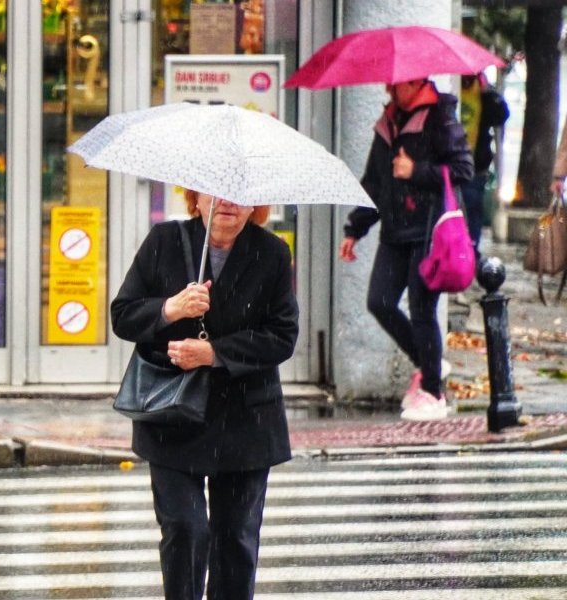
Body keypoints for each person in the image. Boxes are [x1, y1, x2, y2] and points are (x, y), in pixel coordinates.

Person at [111, 191, 298, 600]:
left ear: (255, 206)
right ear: (195, 198)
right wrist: (171, 309)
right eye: (215, 192)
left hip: (246, 419)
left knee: (236, 540)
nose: (227, 202)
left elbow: (282, 337)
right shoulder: (164, 240)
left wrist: (214, 354)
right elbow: (122, 315)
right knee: (185, 528)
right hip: (172, 414)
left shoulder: (272, 253)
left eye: (241, 195)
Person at [340, 78, 474, 421]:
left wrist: (416, 170)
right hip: (395, 231)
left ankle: (433, 393)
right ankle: (430, 364)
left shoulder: (441, 119)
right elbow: (374, 181)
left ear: (415, 83)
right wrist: (355, 228)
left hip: (430, 231)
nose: (388, 89)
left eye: (395, 85)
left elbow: (463, 169)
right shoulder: (389, 122)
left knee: (421, 310)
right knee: (379, 301)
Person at [459, 73, 509, 256]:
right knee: (455, 208)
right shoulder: (453, 91)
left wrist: (488, 93)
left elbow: (502, 115)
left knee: (472, 207)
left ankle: (471, 249)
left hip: (475, 165)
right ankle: (459, 248)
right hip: (453, 162)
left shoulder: (484, 97)